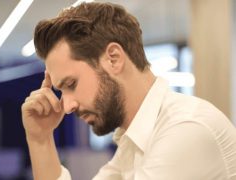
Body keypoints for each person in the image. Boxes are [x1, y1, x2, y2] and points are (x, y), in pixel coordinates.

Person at [21, 2, 236, 180]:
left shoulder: (185, 129)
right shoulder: (133, 143)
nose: (66, 106)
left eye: (71, 84)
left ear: (113, 58)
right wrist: (40, 139)